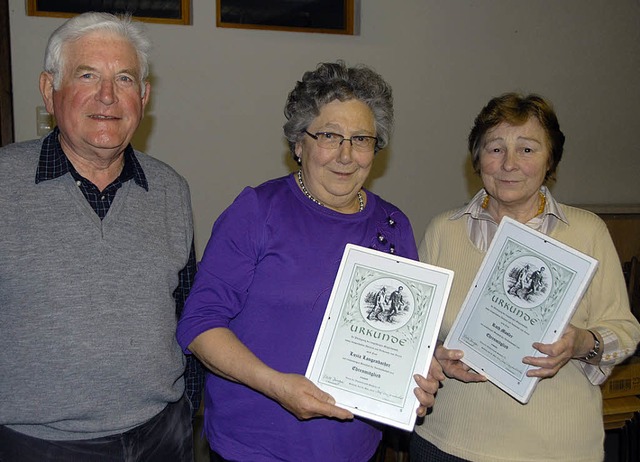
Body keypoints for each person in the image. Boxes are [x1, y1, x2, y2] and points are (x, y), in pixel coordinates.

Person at [177, 61, 443, 462]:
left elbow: (402, 339)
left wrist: (416, 382)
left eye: (361, 139)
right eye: (329, 136)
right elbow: (200, 325)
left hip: (355, 450)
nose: (346, 154)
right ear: (299, 144)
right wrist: (277, 386)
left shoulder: (394, 226)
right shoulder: (257, 211)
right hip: (256, 448)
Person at [0, 12, 203, 462]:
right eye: (87, 74)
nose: (107, 95)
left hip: (162, 438)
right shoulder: (3, 182)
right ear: (49, 90)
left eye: (125, 78)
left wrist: (187, 409)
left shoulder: (171, 189)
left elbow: (190, 311)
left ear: (144, 96)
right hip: (38, 445)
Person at [411, 93, 640, 461]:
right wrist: (437, 356)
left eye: (528, 149)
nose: (509, 164)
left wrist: (580, 343)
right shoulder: (443, 231)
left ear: (551, 159)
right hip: (448, 443)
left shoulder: (587, 232)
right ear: (477, 158)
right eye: (495, 148)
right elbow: (413, 336)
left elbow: (624, 331)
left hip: (556, 450)